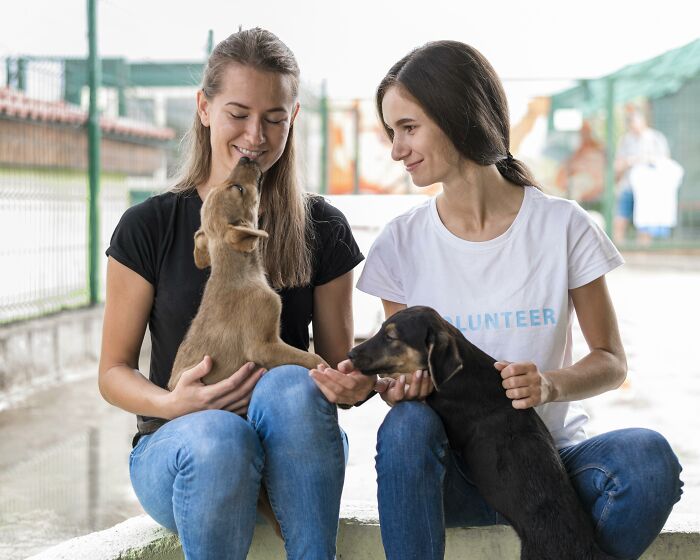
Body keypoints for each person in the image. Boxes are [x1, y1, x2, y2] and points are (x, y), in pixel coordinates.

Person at [344, 41, 682, 560]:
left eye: (408, 128)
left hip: (548, 469)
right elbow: (409, 375)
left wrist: (550, 384)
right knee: (407, 426)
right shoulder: (401, 242)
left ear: (457, 116)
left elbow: (611, 362)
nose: (396, 149)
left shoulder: (562, 225)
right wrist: (397, 387)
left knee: (649, 460)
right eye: (392, 132)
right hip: (451, 473)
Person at [98, 28, 374, 560]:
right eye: (238, 113)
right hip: (181, 443)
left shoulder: (322, 227)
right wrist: (174, 403)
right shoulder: (148, 225)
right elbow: (113, 372)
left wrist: (357, 381)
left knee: (293, 386)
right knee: (221, 440)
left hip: (290, 444)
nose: (256, 134)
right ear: (204, 108)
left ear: (293, 118)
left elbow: (338, 368)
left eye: (274, 117)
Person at [613, 109, 673, 244]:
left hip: (648, 187)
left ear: (643, 121)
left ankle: (643, 254)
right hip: (628, 186)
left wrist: (644, 160)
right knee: (620, 219)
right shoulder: (626, 140)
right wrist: (628, 162)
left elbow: (664, 160)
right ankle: (620, 251)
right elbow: (619, 163)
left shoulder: (656, 138)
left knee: (645, 222)